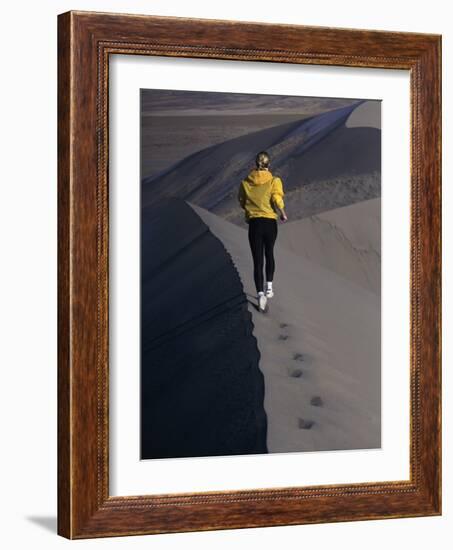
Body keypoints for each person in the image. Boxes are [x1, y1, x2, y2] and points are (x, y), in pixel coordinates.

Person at [238, 151, 288, 312]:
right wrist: (282, 213)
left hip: (254, 223)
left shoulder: (245, 183)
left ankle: (260, 295)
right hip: (270, 223)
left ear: (255, 164)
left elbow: (242, 201)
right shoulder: (274, 181)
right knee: (269, 253)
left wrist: (252, 209)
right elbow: (276, 198)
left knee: (257, 260)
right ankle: (269, 288)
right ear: (268, 164)